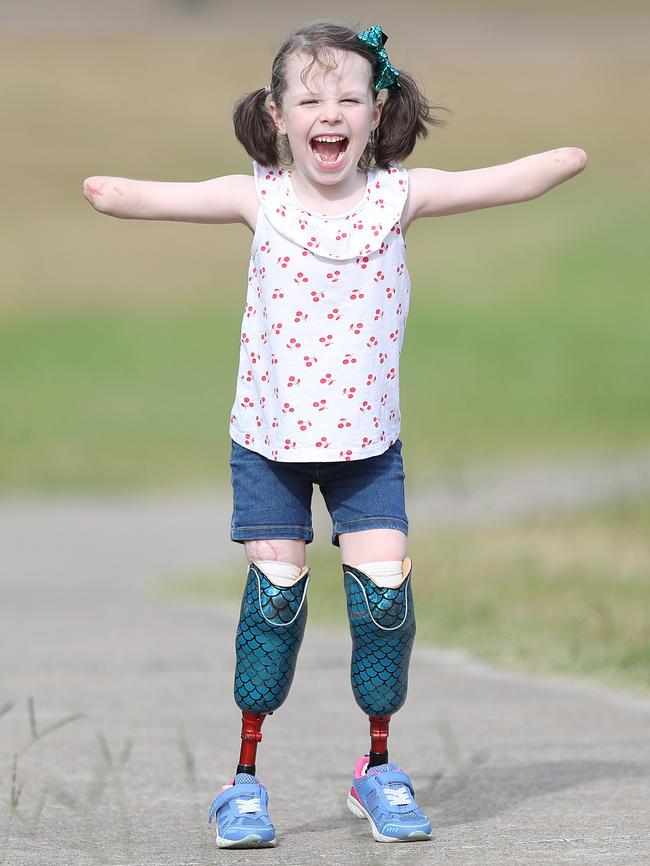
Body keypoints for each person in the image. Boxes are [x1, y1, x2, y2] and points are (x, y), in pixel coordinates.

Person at [83, 20, 587, 849]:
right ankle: (242, 783)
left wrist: (564, 161)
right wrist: (107, 192)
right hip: (269, 447)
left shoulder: (399, 195)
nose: (331, 111)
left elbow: (504, 180)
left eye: (350, 96)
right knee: (275, 602)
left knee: (384, 601)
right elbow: (150, 196)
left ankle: (377, 768)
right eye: (310, 97)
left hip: (368, 452)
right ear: (276, 114)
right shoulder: (261, 196)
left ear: (377, 109)